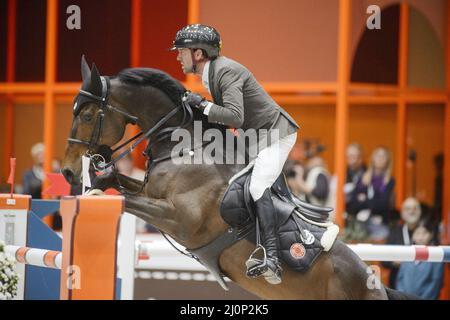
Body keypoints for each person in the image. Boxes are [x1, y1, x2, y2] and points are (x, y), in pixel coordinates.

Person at [170, 24, 300, 284]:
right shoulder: (213, 72)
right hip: (256, 138)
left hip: (275, 135)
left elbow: (235, 116)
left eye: (181, 51)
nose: (177, 57)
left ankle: (272, 258)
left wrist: (204, 105)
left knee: (256, 186)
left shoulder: (225, 70)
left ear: (197, 53)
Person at [346, 147, 395, 241]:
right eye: (377, 155)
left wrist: (365, 200)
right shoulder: (363, 178)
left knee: (382, 235)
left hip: (379, 224)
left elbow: (384, 205)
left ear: (388, 161)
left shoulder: (389, 181)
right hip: (360, 222)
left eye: (383, 156)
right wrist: (373, 201)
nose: (380, 158)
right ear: (372, 159)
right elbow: (352, 203)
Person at [396, 218, 444, 299]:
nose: (421, 237)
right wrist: (402, 296)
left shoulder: (436, 254)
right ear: (413, 235)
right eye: (417, 233)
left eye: (424, 233)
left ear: (431, 234)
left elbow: (436, 282)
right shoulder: (407, 252)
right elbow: (400, 278)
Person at [383, 197, 422, 288]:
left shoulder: (426, 232)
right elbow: (384, 261)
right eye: (408, 209)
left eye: (415, 208)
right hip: (397, 284)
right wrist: (394, 262)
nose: (412, 211)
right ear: (402, 213)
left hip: (421, 284)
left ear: (420, 212)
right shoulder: (394, 232)